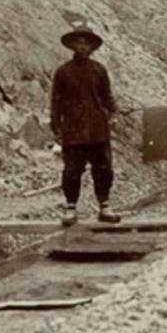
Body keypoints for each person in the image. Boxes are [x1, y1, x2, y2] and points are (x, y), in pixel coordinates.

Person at [50, 21, 122, 225]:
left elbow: (107, 97)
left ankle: (104, 206)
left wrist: (113, 114)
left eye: (86, 43)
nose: (82, 47)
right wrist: (56, 128)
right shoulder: (62, 72)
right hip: (73, 131)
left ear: (91, 47)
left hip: (98, 129)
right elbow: (55, 101)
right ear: (72, 46)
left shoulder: (99, 70)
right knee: (72, 171)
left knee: (104, 169)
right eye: (79, 43)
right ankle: (71, 208)